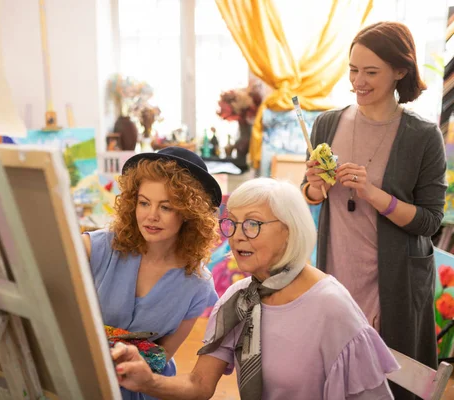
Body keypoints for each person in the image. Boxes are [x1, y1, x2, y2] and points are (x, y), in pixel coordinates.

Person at [111, 178, 399, 399]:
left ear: (289, 229)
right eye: (232, 224)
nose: (237, 237)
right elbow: (199, 385)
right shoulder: (240, 299)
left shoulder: (330, 305)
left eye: (252, 224)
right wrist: (149, 381)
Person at [301, 21, 447, 398]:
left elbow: (429, 221)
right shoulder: (327, 123)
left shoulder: (422, 135)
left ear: (400, 71)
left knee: (389, 382)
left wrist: (373, 193)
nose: (358, 81)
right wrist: (313, 189)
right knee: (333, 374)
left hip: (393, 281)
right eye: (352, 70)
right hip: (336, 270)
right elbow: (312, 194)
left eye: (370, 72)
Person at [82, 146, 222, 400]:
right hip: (81, 380)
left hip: (140, 391)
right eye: (144, 203)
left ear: (189, 215)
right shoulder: (99, 247)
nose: (151, 216)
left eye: (166, 207)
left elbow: (162, 357)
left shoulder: (198, 285)